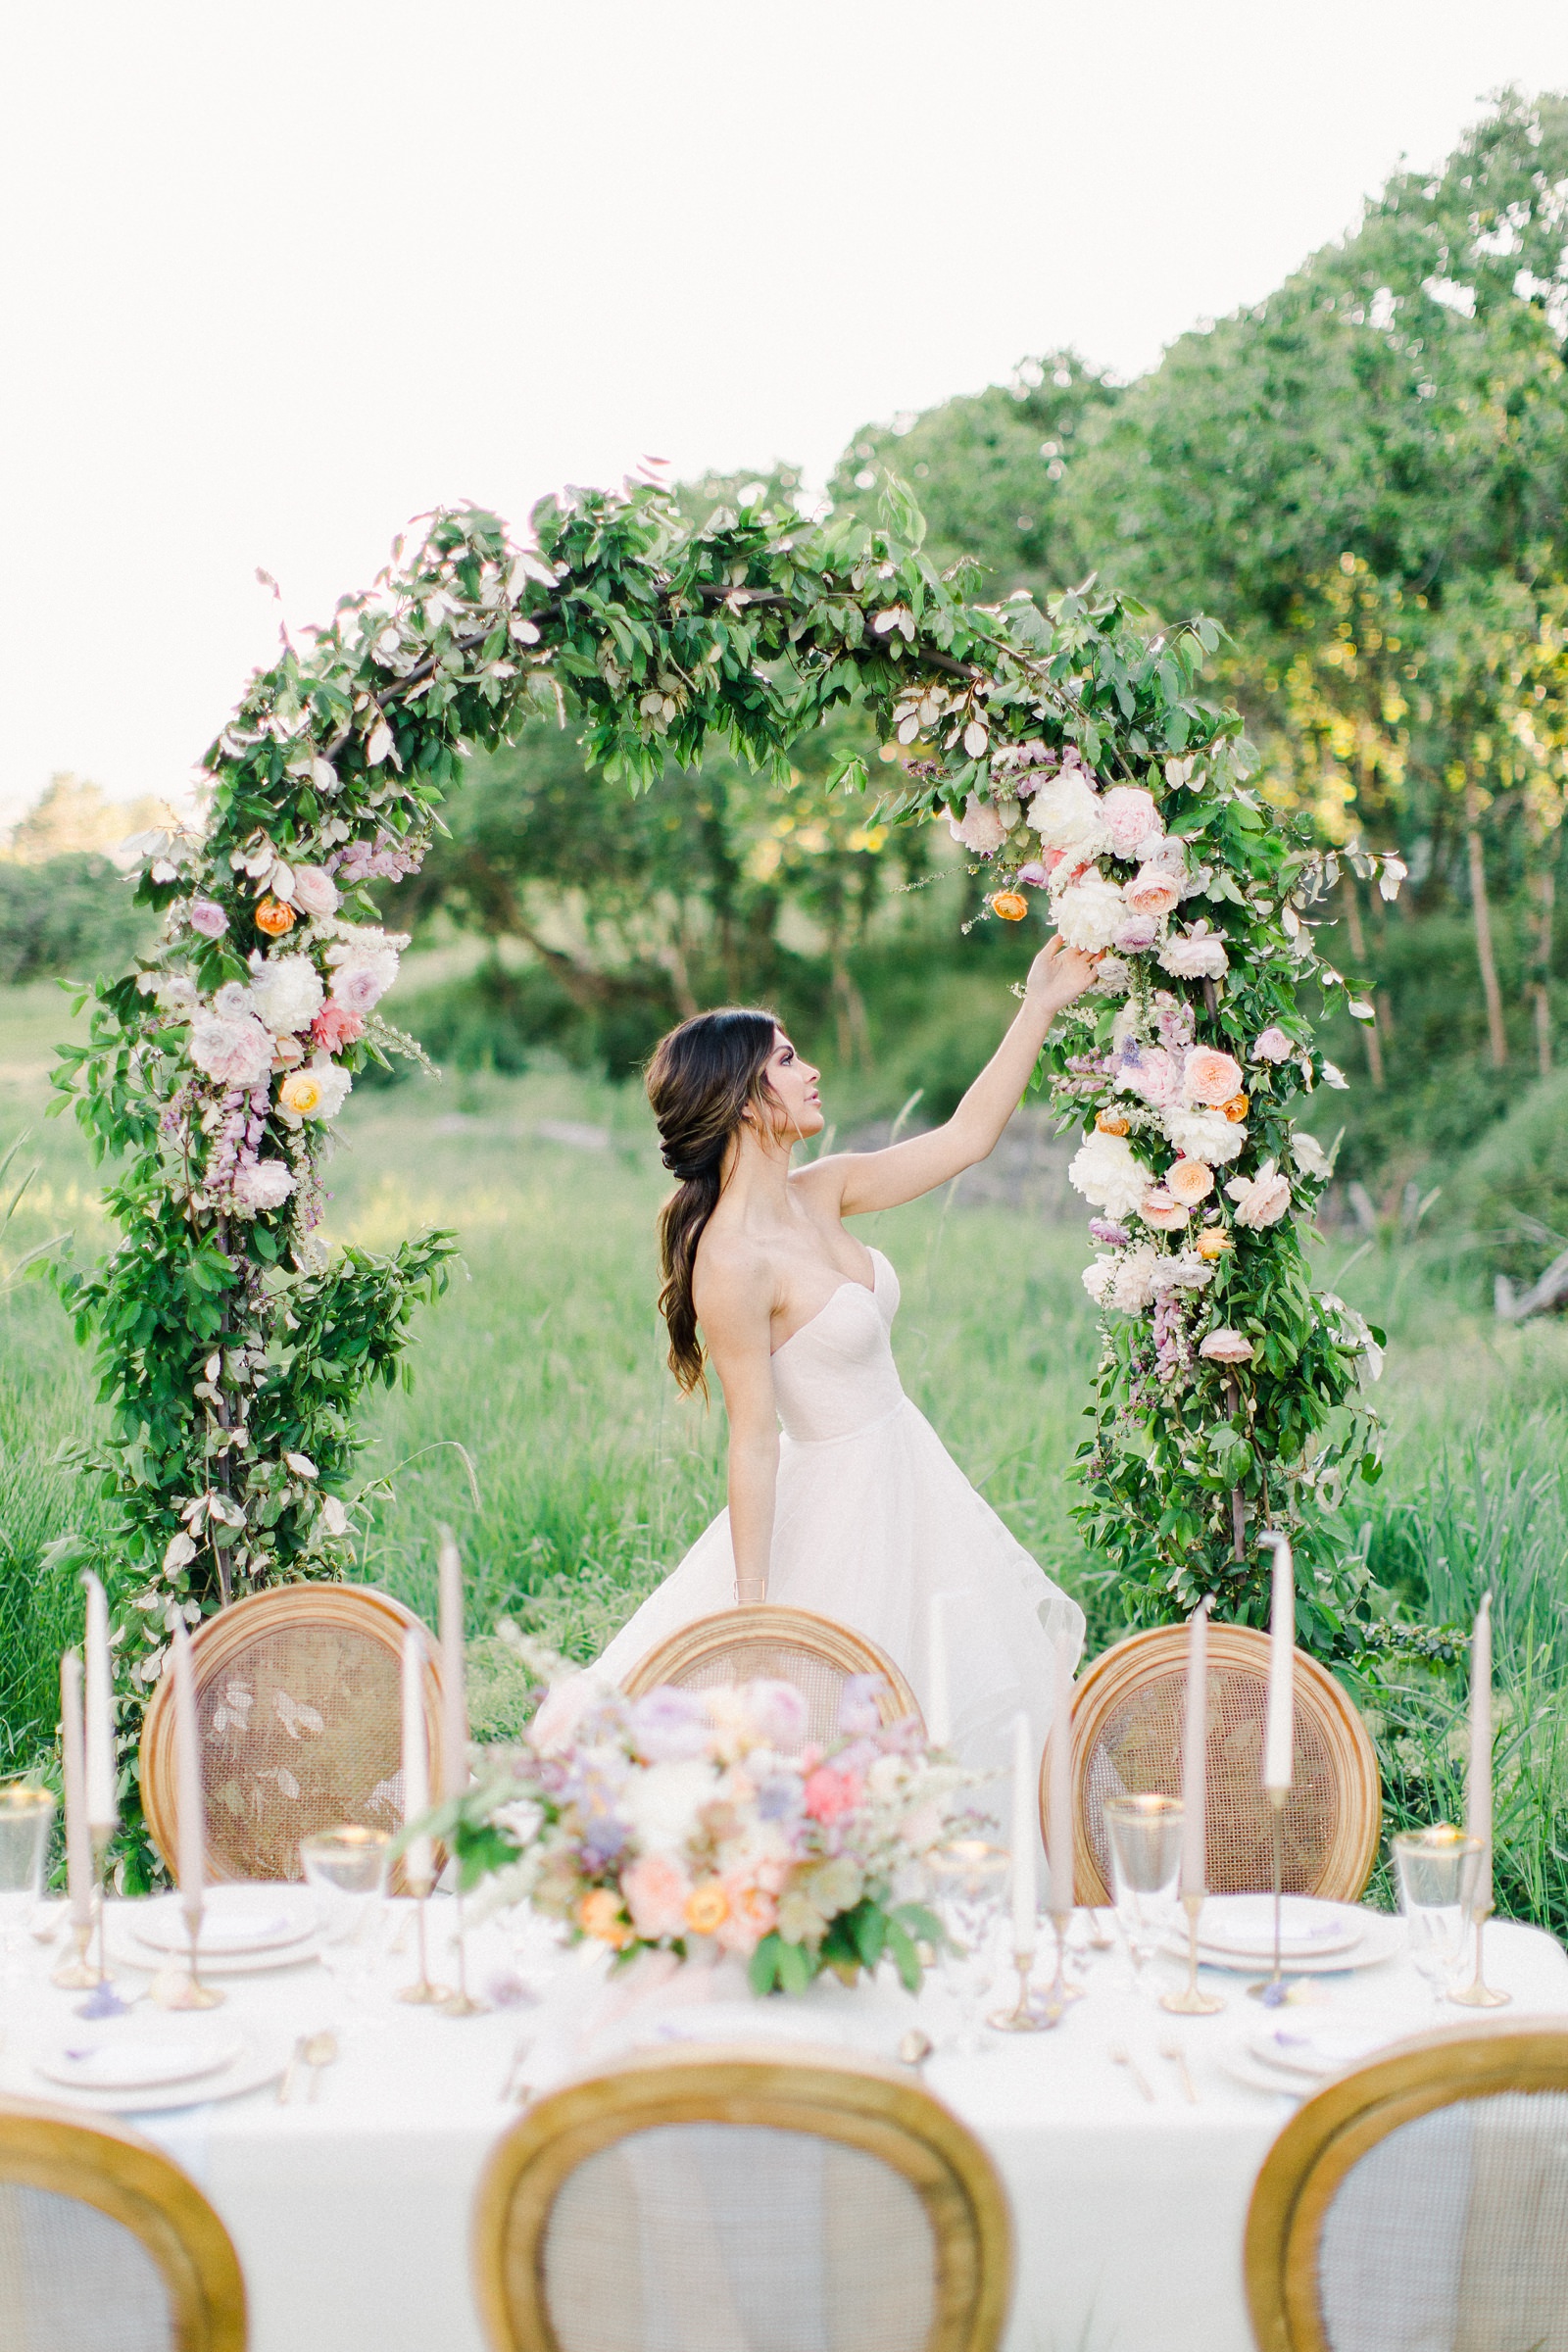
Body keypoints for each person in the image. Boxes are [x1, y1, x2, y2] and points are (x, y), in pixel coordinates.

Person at [593, 936, 1101, 1774]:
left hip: (910, 1472)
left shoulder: (821, 1189)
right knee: (840, 1743)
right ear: (745, 1100)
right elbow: (753, 1438)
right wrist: (751, 1616)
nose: (811, 1070)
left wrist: (1038, 1004)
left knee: (957, 1704)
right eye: (788, 1059)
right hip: (837, 1505)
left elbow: (967, 1138)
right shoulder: (731, 1261)